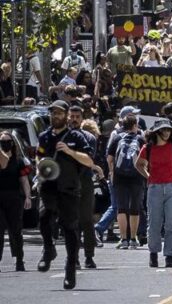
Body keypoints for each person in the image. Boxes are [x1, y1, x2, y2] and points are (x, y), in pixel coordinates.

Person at [36, 100, 94, 290]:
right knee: (44, 217)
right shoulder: (44, 136)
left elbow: (88, 160)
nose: (56, 116)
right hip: (49, 186)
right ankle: (48, 250)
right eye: (53, 113)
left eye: (59, 113)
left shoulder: (76, 136)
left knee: (69, 229)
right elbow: (39, 154)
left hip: (69, 188)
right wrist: (40, 165)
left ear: (67, 115)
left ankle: (70, 270)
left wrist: (69, 151)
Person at [135, 119, 172, 268]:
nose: (166, 133)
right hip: (154, 188)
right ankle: (153, 254)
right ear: (156, 132)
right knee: (154, 223)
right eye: (163, 130)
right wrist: (147, 176)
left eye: (169, 130)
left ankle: (169, 256)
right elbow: (138, 164)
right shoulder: (148, 148)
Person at [68, 105, 103, 269]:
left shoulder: (89, 138)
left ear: (82, 119)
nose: (74, 119)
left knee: (87, 220)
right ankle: (73, 257)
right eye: (72, 116)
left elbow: (88, 159)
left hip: (84, 181)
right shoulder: (61, 135)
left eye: (77, 116)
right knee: (71, 221)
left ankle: (89, 256)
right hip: (67, 183)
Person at [107, 112, 146, 249]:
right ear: (135, 125)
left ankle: (123, 239)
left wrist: (112, 172)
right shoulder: (140, 139)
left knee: (121, 208)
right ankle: (133, 239)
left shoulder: (117, 138)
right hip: (137, 176)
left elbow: (110, 158)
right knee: (135, 208)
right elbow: (145, 159)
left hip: (119, 176)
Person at [0, 130, 31, 272]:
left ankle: (19, 260)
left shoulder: (19, 161)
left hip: (14, 199)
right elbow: (4, 163)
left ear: (12, 143)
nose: (5, 144)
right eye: (2, 141)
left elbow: (24, 180)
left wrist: (28, 197)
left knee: (16, 231)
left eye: (8, 141)